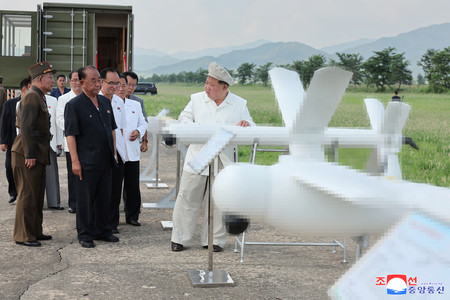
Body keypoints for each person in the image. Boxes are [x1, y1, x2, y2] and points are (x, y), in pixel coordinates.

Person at [171, 62, 255, 252]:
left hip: (224, 160)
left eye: (212, 85)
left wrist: (246, 124)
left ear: (224, 87)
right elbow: (183, 118)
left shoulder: (239, 104)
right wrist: (198, 130)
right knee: (188, 198)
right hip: (199, 156)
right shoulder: (196, 99)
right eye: (206, 83)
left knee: (219, 201)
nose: (207, 88)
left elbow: (251, 124)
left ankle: (214, 241)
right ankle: (179, 238)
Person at [65, 65, 119, 248]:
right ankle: (85, 234)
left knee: (104, 198)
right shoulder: (74, 105)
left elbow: (112, 129)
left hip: (105, 159)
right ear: (82, 83)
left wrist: (114, 152)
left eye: (99, 80)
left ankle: (103, 230)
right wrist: (75, 161)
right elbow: (70, 135)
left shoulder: (105, 102)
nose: (98, 84)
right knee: (86, 201)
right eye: (94, 80)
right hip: (86, 161)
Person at [12, 62, 56, 247]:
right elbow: (27, 128)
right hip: (27, 152)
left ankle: (35, 231)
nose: (53, 80)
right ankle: (24, 235)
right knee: (28, 194)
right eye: (50, 77)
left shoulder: (39, 96)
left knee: (37, 194)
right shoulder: (31, 97)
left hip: (38, 150)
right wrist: (30, 154)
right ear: (39, 79)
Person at [112, 74, 147, 230]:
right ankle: (112, 221)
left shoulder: (135, 104)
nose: (121, 88)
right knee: (114, 188)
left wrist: (139, 132)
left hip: (132, 152)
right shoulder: (108, 103)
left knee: (132, 187)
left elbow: (143, 122)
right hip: (116, 152)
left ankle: (132, 216)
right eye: (118, 85)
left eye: (124, 85)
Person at [99, 68, 126, 234]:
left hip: (118, 152)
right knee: (103, 191)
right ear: (102, 82)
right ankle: (101, 223)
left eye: (117, 83)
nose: (115, 86)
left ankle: (112, 223)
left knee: (116, 190)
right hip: (102, 152)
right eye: (111, 83)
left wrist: (120, 153)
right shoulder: (95, 100)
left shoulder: (119, 101)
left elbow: (120, 129)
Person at [1, 76, 31, 204]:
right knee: (9, 167)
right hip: (13, 142)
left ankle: (25, 193)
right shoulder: (11, 104)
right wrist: (3, 141)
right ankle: (13, 192)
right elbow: (5, 123)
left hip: (29, 143)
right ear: (26, 87)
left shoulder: (33, 103)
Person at [56, 70, 82, 213]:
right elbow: (59, 119)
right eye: (74, 80)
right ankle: (73, 203)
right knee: (73, 174)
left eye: (79, 80)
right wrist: (75, 127)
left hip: (86, 142)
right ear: (70, 82)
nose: (77, 83)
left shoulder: (89, 97)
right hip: (70, 142)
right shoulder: (64, 99)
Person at [44, 94, 64, 210]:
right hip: (34, 145)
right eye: (49, 78)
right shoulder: (26, 98)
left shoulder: (52, 100)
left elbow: (57, 122)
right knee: (35, 177)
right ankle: (37, 203)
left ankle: (54, 202)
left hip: (50, 143)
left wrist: (59, 141)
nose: (52, 81)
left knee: (52, 174)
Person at [123, 71, 149, 152]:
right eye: (128, 84)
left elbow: (143, 122)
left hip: (132, 143)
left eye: (133, 85)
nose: (131, 88)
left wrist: (144, 141)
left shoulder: (138, 102)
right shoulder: (112, 99)